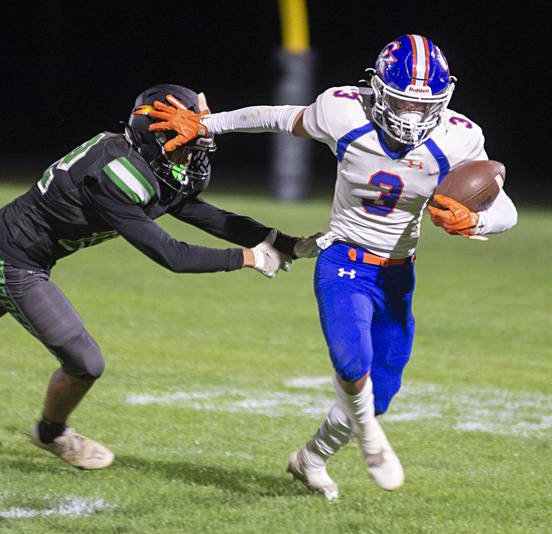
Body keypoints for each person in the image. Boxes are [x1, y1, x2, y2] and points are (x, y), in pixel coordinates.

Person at [0, 83, 319, 469]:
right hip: (13, 258)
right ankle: (51, 434)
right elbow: (171, 254)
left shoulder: (149, 166)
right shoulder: (114, 173)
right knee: (84, 361)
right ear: (153, 139)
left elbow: (204, 214)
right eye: (184, 144)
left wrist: (276, 240)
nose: (193, 152)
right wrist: (249, 260)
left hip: (18, 249)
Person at [148, 35, 518, 498]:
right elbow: (277, 117)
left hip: (399, 272)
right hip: (344, 257)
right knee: (351, 360)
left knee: (380, 392)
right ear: (379, 90)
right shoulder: (344, 111)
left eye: (423, 107)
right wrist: (209, 125)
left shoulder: (460, 136)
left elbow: (507, 210)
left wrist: (477, 217)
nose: (411, 117)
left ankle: (312, 458)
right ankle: (370, 439)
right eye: (402, 104)